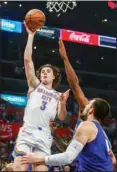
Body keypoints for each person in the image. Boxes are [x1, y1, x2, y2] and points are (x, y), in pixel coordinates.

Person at [21, 40, 116, 172]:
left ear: (91, 110)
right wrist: (55, 136)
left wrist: (65, 58)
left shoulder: (88, 125)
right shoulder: (99, 134)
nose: (85, 102)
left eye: (89, 102)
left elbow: (74, 85)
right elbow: (69, 150)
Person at [13, 24, 70, 172]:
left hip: (45, 134)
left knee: (42, 170)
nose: (44, 73)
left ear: (54, 76)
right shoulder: (34, 85)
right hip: (29, 130)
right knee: (20, 167)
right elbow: (27, 61)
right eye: (42, 71)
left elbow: (62, 117)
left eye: (48, 71)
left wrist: (63, 103)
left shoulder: (59, 96)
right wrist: (31, 36)